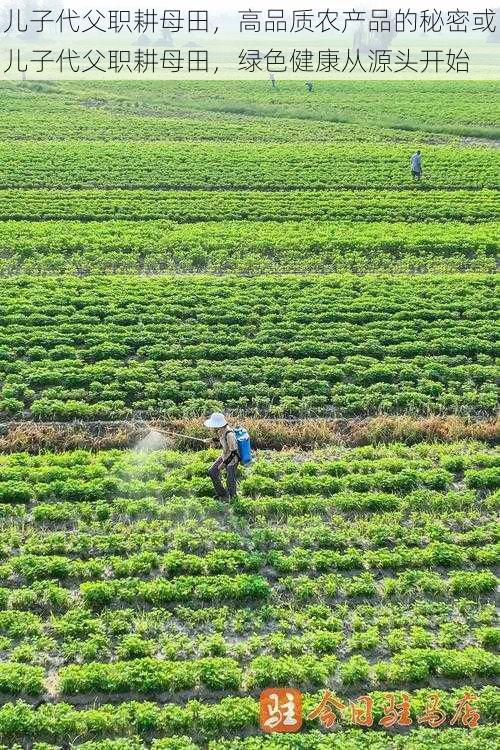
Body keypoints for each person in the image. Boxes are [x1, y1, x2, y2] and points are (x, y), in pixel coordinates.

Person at [204, 412, 239, 500]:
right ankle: (223, 494)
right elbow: (222, 439)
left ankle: (233, 499)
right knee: (212, 472)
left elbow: (234, 452)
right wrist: (211, 440)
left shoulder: (230, 435)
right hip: (225, 456)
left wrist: (223, 464)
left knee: (230, 481)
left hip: (232, 460)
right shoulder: (222, 430)